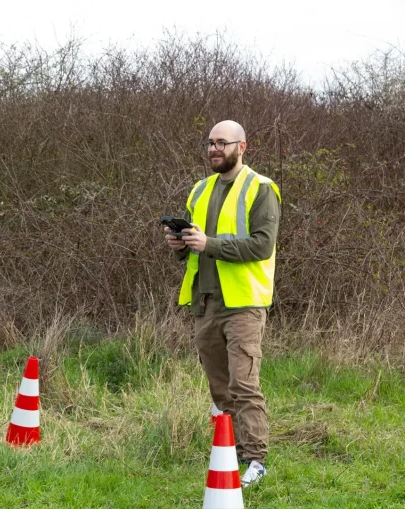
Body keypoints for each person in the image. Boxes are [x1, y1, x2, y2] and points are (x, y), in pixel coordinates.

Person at [164, 120, 281, 487]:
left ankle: (256, 460)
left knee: (244, 383)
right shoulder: (199, 190)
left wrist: (209, 244)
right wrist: (181, 246)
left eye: (222, 143)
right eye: (210, 143)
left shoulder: (261, 188)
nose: (214, 149)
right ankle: (232, 452)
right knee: (220, 387)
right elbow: (195, 246)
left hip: (244, 302)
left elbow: (262, 245)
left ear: (242, 147)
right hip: (205, 301)